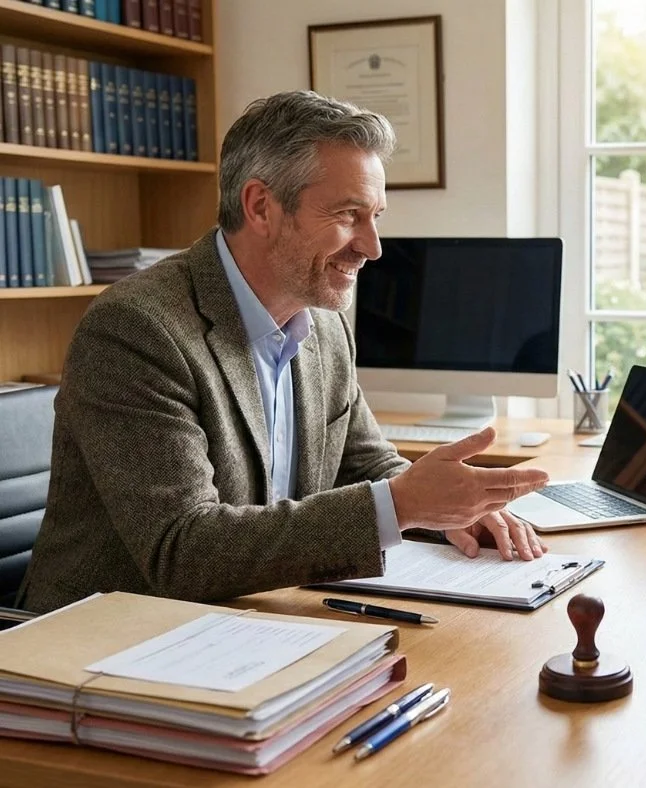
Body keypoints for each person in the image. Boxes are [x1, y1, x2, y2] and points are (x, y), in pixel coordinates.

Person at [20, 91, 550, 614]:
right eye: (348, 215)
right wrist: (402, 504)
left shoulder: (325, 320)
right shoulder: (137, 330)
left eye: (375, 216)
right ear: (261, 207)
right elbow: (182, 550)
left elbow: (361, 463)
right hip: (110, 642)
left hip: (254, 618)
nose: (373, 247)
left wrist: (447, 510)